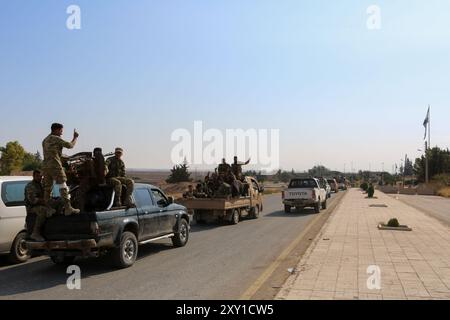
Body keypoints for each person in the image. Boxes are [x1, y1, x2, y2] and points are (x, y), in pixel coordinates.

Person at [42, 123, 80, 215]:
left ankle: (48, 209)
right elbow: (70, 146)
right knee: (63, 185)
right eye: (61, 131)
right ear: (56, 130)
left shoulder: (45, 140)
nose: (61, 133)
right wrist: (75, 137)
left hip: (45, 167)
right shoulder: (56, 138)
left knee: (47, 189)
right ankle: (68, 208)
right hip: (55, 166)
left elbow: (52, 152)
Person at [25, 170, 56, 242]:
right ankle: (36, 232)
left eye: (40, 176)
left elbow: (47, 194)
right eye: (37, 176)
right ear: (33, 176)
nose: (39, 178)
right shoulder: (30, 186)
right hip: (32, 207)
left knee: (57, 203)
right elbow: (32, 200)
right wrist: (44, 201)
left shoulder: (41, 185)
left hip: (42, 204)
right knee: (42, 210)